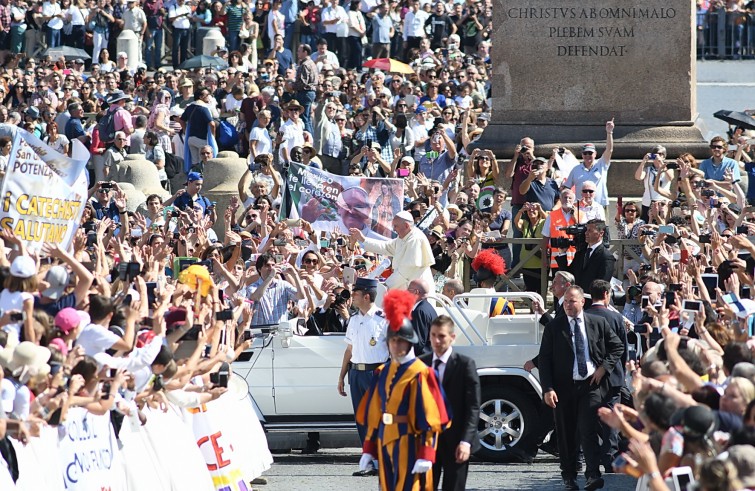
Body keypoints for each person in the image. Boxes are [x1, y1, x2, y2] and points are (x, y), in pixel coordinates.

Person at [355, 289, 449, 491]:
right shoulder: (382, 372)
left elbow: (431, 419)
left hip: (412, 442)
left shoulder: (421, 373)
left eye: (401, 340)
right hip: (386, 441)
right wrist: (369, 449)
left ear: (410, 342)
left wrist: (426, 453)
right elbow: (374, 416)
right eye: (392, 340)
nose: (396, 345)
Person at [537, 285, 624, 491]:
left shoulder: (598, 322)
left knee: (588, 430)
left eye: (572, 301)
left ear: (582, 302)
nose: (568, 305)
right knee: (566, 433)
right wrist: (548, 388)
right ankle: (569, 476)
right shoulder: (555, 327)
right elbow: (545, 359)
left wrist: (604, 368)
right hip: (563, 387)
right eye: (565, 301)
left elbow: (617, 346)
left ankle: (593, 474)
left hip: (590, 386)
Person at [419, 315, 480, 491]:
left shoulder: (465, 364)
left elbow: (473, 407)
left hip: (457, 441)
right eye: (433, 335)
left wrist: (465, 442)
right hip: (428, 441)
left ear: (452, 337)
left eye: (442, 336)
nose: (437, 340)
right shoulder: (421, 364)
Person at [337, 277, 388, 476]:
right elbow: (349, 350)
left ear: (367, 296)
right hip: (356, 373)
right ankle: (369, 461)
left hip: (377, 372)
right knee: (362, 420)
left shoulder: (384, 319)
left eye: (355, 293)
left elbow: (394, 351)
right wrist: (342, 376)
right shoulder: (354, 319)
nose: (352, 297)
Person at [586, 279, 628, 472]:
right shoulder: (616, 317)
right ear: (606, 294)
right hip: (613, 374)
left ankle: (592, 457)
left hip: (589, 375)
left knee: (590, 417)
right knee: (612, 416)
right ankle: (609, 455)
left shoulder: (584, 316)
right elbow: (623, 348)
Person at [350, 210, 435, 289]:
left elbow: (404, 272)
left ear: (406, 226)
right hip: (405, 286)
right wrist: (363, 239)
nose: (394, 229)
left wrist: (386, 285)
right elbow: (386, 247)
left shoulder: (415, 239)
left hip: (418, 289)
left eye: (396, 226)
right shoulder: (403, 237)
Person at [562, 119, 615, 211]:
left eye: (590, 153)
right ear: (582, 155)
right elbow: (567, 188)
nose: (587, 155)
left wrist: (609, 132)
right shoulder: (576, 169)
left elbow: (609, 150)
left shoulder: (602, 164)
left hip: (600, 205)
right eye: (585, 153)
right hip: (580, 208)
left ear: (595, 154)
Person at [554, 219, 616, 292]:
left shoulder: (606, 257)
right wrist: (563, 254)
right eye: (586, 230)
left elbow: (602, 285)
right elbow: (568, 275)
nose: (586, 233)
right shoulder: (581, 253)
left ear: (601, 233)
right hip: (578, 298)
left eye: (590, 230)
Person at [291, 43, 318, 134]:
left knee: (304, 117)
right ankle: (311, 138)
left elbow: (303, 82)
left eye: (299, 51)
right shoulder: (312, 63)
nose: (297, 53)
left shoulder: (305, 65)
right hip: (311, 92)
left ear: (305, 52)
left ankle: (308, 139)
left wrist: (292, 86)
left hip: (305, 92)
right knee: (308, 118)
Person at [407, 278, 436, 355]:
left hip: (422, 359)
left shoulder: (419, 311)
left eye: (409, 289)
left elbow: (418, 342)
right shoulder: (427, 307)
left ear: (416, 292)